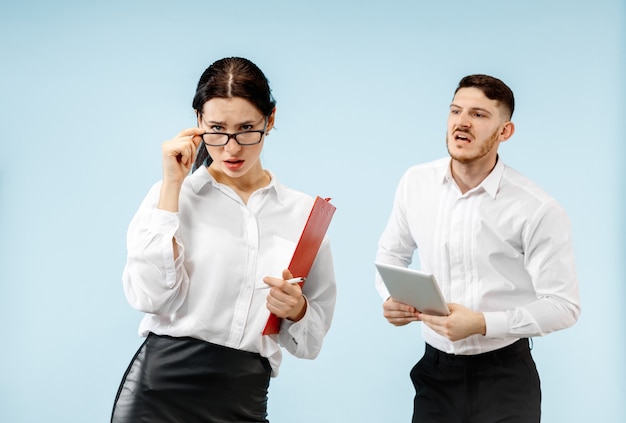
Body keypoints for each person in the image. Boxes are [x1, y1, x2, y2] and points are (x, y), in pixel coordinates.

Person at [111, 57, 336, 423]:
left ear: (271, 120)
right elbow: (149, 297)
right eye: (216, 129)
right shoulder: (169, 196)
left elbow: (310, 344)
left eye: (247, 128)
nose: (231, 148)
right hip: (158, 395)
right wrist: (172, 187)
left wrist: (297, 310)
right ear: (198, 121)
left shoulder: (304, 215)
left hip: (243, 399)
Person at [375, 74, 580, 422]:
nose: (462, 123)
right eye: (456, 111)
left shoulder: (537, 208)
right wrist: (390, 299)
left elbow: (564, 306)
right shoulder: (415, 182)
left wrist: (483, 323)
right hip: (434, 372)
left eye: (479, 115)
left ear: (505, 132)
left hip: (505, 377)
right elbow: (390, 255)